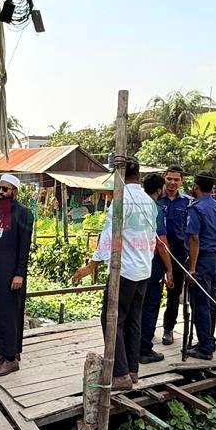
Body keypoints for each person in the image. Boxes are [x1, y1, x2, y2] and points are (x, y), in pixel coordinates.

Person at [72, 158, 160, 390]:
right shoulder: (149, 201)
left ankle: (120, 374)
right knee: (133, 320)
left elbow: (108, 236)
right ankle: (132, 370)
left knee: (112, 319)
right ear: (138, 175)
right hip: (143, 268)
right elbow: (152, 238)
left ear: (119, 174)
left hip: (125, 270)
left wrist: (91, 265)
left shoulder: (121, 200)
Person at [0, 174, 33, 377]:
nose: (1, 193)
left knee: (10, 315)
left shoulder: (24, 213)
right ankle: (4, 352)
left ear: (15, 191)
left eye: (5, 189)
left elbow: (24, 246)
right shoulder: (0, 212)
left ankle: (11, 359)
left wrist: (19, 273)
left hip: (12, 273)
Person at [186, 171, 216, 360]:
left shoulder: (196, 208)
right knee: (210, 301)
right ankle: (209, 339)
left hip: (202, 259)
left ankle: (205, 348)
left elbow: (194, 239)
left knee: (200, 303)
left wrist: (192, 268)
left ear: (196, 187)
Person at [138, 172, 174, 364]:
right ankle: (144, 349)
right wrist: (169, 268)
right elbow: (161, 243)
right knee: (150, 306)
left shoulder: (134, 204)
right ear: (159, 190)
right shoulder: (155, 209)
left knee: (136, 306)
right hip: (152, 264)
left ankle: (131, 347)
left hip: (134, 263)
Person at [157, 165, 191, 346]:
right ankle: (146, 330)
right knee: (152, 292)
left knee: (174, 293)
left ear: (181, 181)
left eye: (176, 179)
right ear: (164, 178)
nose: (172, 182)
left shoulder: (188, 202)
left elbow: (190, 230)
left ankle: (168, 329)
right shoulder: (155, 199)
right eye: (169, 178)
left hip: (178, 253)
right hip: (155, 252)